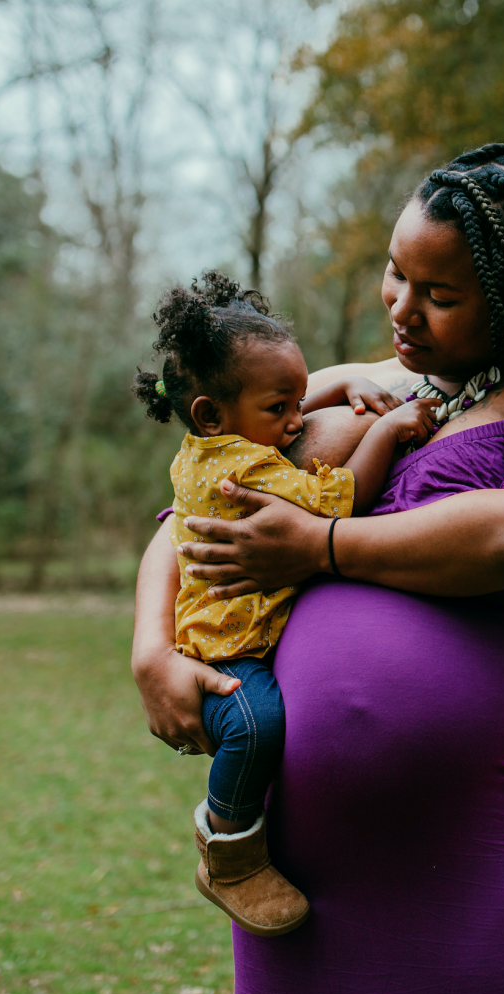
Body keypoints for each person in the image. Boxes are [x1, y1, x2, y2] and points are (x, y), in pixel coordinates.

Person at [133, 143, 504, 994]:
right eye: (396, 274)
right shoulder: (364, 387)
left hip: (474, 852)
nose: (403, 308)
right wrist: (151, 652)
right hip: (299, 872)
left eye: (441, 295)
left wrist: (322, 545)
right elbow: (200, 494)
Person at [132, 271, 438, 937]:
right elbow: (338, 502)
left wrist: (344, 383)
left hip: (225, 631)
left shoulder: (204, 445)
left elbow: (279, 396)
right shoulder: (246, 472)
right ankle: (229, 848)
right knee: (254, 724)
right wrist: (389, 430)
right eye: (283, 409)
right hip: (226, 652)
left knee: (259, 720)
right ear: (213, 412)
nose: (298, 421)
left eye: (302, 399)